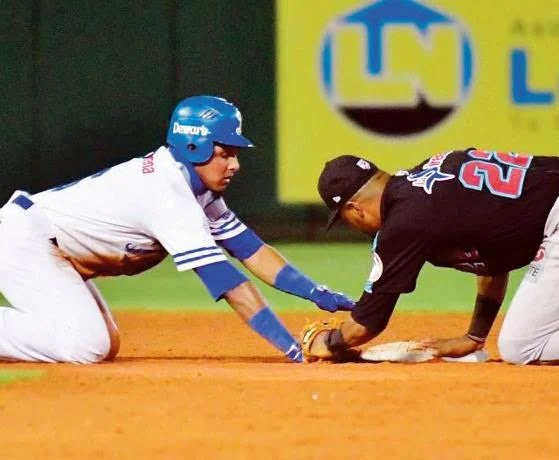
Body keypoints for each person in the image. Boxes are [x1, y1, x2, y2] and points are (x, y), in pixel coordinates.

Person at [0, 95, 354, 364]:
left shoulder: (195, 188)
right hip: (25, 239)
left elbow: (251, 250)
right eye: (226, 153)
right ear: (194, 146)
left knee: (104, 343)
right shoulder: (166, 195)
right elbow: (229, 284)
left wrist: (316, 292)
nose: (235, 164)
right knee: (87, 346)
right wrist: (291, 348)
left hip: (45, 243)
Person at [301, 149, 559, 365]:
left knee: (521, 346)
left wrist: (329, 341)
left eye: (345, 219)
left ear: (355, 209)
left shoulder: (402, 222)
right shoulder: (436, 170)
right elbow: (493, 257)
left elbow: (366, 323)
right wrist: (474, 337)